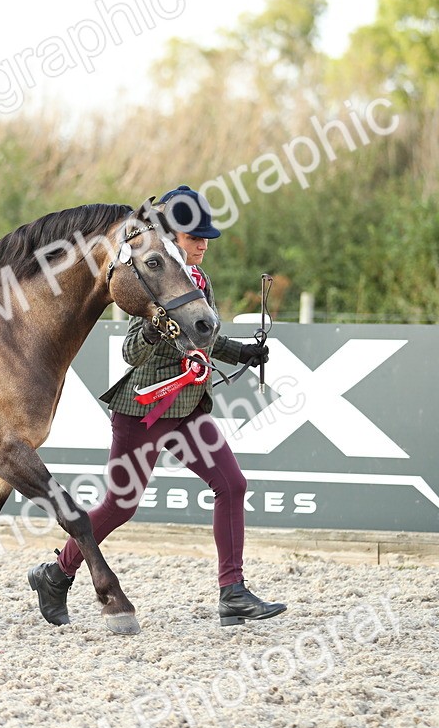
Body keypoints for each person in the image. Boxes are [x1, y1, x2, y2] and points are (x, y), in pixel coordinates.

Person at [27, 185, 286, 628]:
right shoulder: (154, 277)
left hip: (186, 408)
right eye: (193, 237)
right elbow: (130, 351)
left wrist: (241, 352)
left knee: (232, 484)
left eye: (205, 238)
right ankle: (56, 572)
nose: (203, 245)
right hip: (142, 409)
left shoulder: (198, 282)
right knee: (120, 506)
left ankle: (233, 592)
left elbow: (201, 336)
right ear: (172, 239)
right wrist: (151, 331)